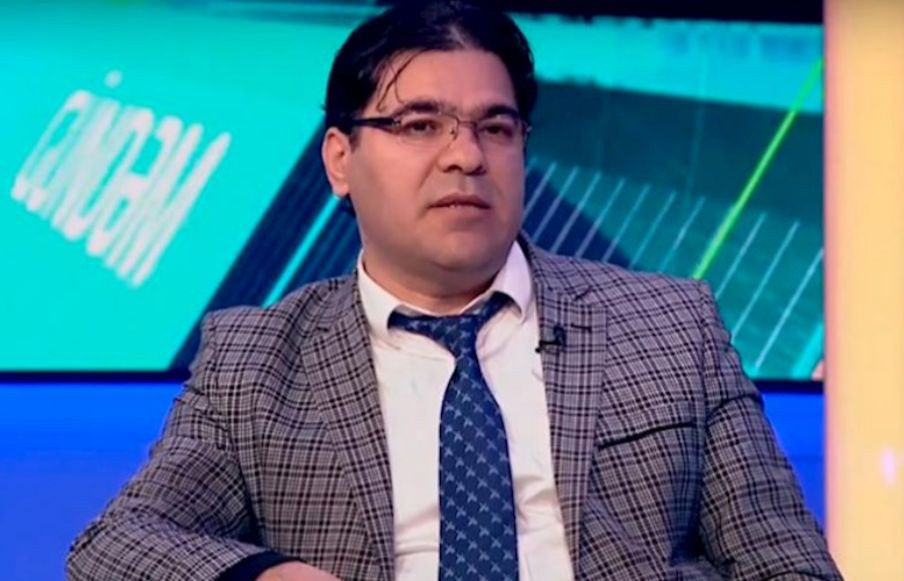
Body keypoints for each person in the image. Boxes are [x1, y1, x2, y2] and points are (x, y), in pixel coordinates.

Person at [67, 2, 842, 580]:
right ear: (340, 160)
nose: (465, 155)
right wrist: (267, 576)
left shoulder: (670, 325)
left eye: (495, 128)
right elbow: (113, 546)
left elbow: (789, 561)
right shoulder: (256, 358)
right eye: (419, 125)